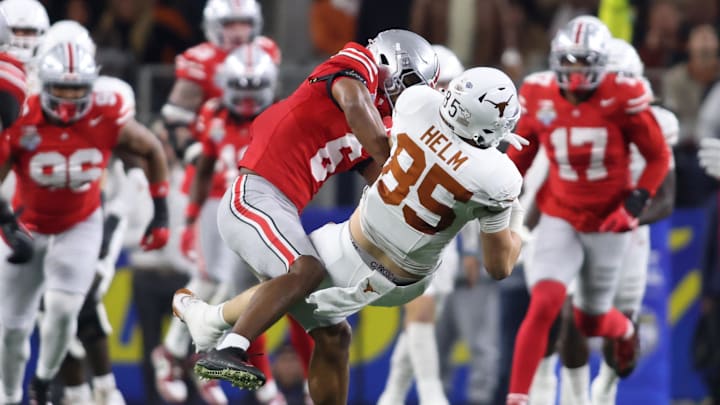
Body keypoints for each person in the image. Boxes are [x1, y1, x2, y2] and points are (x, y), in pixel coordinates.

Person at [175, 66, 528, 405]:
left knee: (301, 277)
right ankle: (212, 324)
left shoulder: (416, 103)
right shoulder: (499, 178)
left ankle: (213, 321)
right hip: (404, 280)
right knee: (324, 321)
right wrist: (515, 220)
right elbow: (499, 267)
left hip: (350, 245)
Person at [169, 28, 438, 404]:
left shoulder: (375, 123)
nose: (405, 97)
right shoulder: (356, 67)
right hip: (253, 194)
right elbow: (356, 104)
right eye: (407, 84)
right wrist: (394, 156)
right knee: (307, 269)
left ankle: (206, 319)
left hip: (283, 209)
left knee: (334, 335)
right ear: (389, 64)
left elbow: (387, 188)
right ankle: (229, 347)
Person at [504, 16, 671, 405]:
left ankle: (625, 332)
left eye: (584, 62)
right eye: (570, 61)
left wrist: (636, 201)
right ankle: (517, 397)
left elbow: (658, 155)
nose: (575, 71)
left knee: (590, 320)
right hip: (560, 213)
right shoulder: (539, 93)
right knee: (544, 303)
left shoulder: (622, 94)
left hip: (608, 220)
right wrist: (501, 191)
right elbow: (520, 154)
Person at [0, 41, 170, 405]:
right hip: (27, 223)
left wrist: (161, 211)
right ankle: (10, 395)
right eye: (60, 88)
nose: (67, 99)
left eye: (76, 90)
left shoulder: (106, 114)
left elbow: (152, 148)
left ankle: (43, 382)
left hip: (80, 222)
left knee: (63, 311)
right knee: (12, 329)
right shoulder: (20, 117)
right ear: (42, 85)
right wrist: (6, 225)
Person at [170, 42, 287, 405]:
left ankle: (203, 357)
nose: (249, 100)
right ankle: (179, 353)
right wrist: (190, 218)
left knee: (255, 292)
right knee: (218, 284)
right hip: (219, 207)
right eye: (242, 89)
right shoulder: (213, 114)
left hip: (258, 211)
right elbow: (203, 166)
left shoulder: (280, 117)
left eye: (256, 90)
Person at [377, 44, 463, 405]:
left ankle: (391, 396)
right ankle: (432, 396)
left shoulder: (462, 128)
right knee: (421, 310)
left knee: (422, 320)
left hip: (446, 232)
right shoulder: (402, 119)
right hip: (405, 223)